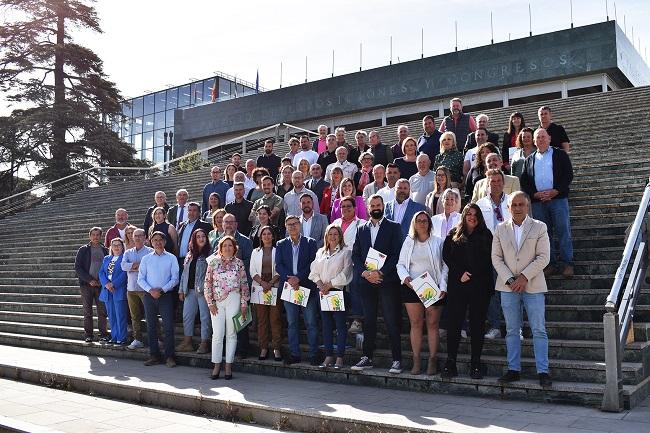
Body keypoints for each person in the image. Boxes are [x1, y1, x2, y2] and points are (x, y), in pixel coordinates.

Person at [492, 191, 552, 387]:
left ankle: (543, 371)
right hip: (508, 287)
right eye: (514, 205)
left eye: (521, 204)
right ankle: (513, 369)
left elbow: (544, 257)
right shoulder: (500, 229)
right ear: (508, 208)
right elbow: (496, 258)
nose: (517, 208)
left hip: (533, 285)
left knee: (538, 329)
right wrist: (511, 279)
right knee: (511, 330)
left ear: (527, 206)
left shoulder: (540, 227)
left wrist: (524, 277)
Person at [351, 195, 403, 374]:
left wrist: (381, 272)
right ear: (367, 208)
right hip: (367, 281)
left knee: (391, 320)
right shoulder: (361, 228)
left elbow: (397, 255)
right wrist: (365, 273)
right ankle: (367, 357)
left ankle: (397, 359)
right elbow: (356, 255)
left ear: (383, 206)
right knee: (369, 320)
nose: (375, 208)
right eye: (372, 205)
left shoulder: (394, 227)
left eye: (378, 205)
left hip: (387, 280)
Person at [441, 203, 494, 379]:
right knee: (454, 324)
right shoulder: (453, 235)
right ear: (464, 216)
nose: (472, 217)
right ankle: (450, 362)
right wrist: (459, 273)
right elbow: (447, 257)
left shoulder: (487, 235)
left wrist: (472, 274)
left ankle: (476, 363)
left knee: (477, 326)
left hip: (480, 286)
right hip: (458, 285)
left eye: (475, 214)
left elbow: (489, 260)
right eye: (469, 214)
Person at [397, 211, 448, 375]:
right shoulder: (408, 242)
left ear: (429, 223)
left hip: (433, 288)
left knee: (433, 324)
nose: (422, 223)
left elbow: (445, 266)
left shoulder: (438, 242)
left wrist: (443, 287)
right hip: (413, 288)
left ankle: (433, 359)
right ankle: (417, 359)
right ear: (414, 223)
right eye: (418, 221)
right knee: (416, 324)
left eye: (425, 221)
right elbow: (400, 265)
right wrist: (406, 279)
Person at [520, 128, 574, 278]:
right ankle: (550, 264)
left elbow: (568, 175)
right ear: (534, 141)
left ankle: (567, 264)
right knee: (544, 235)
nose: (541, 139)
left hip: (558, 199)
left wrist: (556, 190)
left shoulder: (560, 154)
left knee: (564, 232)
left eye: (543, 137)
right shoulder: (529, 159)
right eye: (538, 137)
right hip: (538, 202)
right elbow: (524, 180)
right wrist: (534, 194)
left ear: (549, 139)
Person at [204, 236, 250, 380]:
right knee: (217, 334)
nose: (227, 248)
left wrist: (244, 304)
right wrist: (210, 302)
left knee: (231, 333)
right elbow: (207, 283)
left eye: (230, 245)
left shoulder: (239, 263)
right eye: (225, 246)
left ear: (234, 248)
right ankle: (217, 364)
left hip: (234, 299)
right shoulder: (213, 262)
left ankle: (228, 365)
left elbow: (244, 284)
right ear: (220, 248)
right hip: (217, 302)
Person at [276, 215, 319, 365]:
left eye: (295, 224)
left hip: (307, 288)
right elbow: (279, 265)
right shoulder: (281, 244)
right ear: (286, 227)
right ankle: (295, 354)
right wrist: (290, 279)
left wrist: (298, 278)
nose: (292, 227)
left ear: (300, 225)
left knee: (311, 323)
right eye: (289, 225)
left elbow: (313, 264)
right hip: (289, 289)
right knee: (292, 323)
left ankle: (314, 354)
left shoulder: (310, 243)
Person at [309, 224, 353, 369]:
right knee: (326, 325)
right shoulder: (320, 252)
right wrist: (321, 284)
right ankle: (328, 356)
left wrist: (330, 284)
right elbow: (314, 271)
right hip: (323, 292)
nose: (333, 237)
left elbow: (346, 272)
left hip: (337, 292)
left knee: (340, 325)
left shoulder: (346, 252)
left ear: (340, 236)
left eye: (336, 234)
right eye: (330, 234)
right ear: (326, 236)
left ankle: (339, 357)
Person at [477, 170, 511, 340]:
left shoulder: (513, 201)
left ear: (503, 183)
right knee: (492, 291)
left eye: (499, 181)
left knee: (512, 290)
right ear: (487, 184)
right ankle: (495, 326)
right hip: (489, 253)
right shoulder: (480, 204)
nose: (496, 184)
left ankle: (515, 328)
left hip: (511, 254)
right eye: (492, 181)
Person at [138, 231, 180, 368]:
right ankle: (154, 355)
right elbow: (140, 279)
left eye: (160, 240)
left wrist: (162, 290)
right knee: (151, 327)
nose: (157, 242)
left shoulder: (171, 258)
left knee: (168, 327)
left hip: (165, 295)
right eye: (155, 240)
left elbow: (175, 278)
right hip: (149, 296)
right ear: (151, 242)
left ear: (165, 242)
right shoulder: (146, 259)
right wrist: (151, 290)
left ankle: (170, 357)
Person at [332, 196, 366, 334]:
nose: (345, 209)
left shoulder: (362, 223)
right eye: (343, 206)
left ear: (355, 208)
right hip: (337, 263)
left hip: (354, 263)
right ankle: (340, 321)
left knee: (355, 288)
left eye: (348, 206)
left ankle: (357, 320)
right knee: (337, 290)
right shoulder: (335, 223)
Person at [221, 212, 254, 358]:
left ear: (236, 224)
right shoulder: (217, 242)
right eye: (225, 222)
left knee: (241, 320)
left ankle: (242, 350)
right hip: (222, 289)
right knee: (224, 321)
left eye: (231, 222)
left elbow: (248, 264)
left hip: (240, 286)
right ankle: (225, 349)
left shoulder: (245, 242)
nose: (228, 224)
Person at [250, 226, 282, 362]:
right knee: (262, 320)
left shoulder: (278, 251)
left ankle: (276, 348)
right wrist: (262, 283)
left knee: (275, 319)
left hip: (274, 286)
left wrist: (270, 283)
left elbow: (280, 268)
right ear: (260, 237)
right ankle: (263, 347)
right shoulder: (255, 252)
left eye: (269, 234)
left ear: (273, 236)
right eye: (264, 234)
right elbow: (252, 271)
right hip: (259, 287)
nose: (267, 236)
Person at [74, 227, 109, 343]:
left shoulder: (105, 250)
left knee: (102, 311)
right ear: (90, 236)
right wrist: (89, 280)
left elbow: (109, 267)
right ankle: (88, 334)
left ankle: (103, 334)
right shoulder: (83, 250)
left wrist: (102, 281)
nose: (95, 237)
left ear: (101, 236)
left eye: (97, 235)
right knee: (87, 311)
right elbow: (78, 267)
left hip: (101, 285)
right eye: (93, 235)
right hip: (86, 285)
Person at [121, 228, 152, 350]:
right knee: (135, 316)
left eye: (140, 236)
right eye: (135, 236)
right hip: (131, 288)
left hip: (146, 288)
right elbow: (123, 266)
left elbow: (149, 267)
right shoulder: (128, 252)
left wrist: (132, 266)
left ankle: (156, 338)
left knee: (150, 315)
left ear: (145, 237)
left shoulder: (150, 251)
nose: (138, 238)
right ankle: (137, 339)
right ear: (132, 238)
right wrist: (138, 266)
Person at [98, 237, 129, 345]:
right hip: (107, 290)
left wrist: (113, 284)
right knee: (111, 315)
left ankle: (122, 337)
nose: (116, 247)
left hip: (119, 289)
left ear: (122, 247)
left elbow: (124, 273)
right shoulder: (107, 258)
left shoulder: (125, 258)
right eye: (114, 245)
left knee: (120, 315)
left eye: (118, 245)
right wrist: (106, 284)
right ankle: (114, 336)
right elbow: (101, 272)